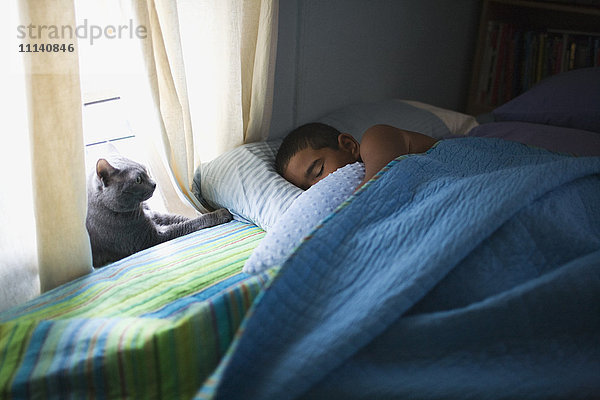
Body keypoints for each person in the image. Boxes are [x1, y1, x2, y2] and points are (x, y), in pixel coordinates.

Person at [275, 122, 438, 190]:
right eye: (307, 190)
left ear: (348, 145)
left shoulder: (376, 137)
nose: (318, 187)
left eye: (319, 171)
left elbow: (379, 181)